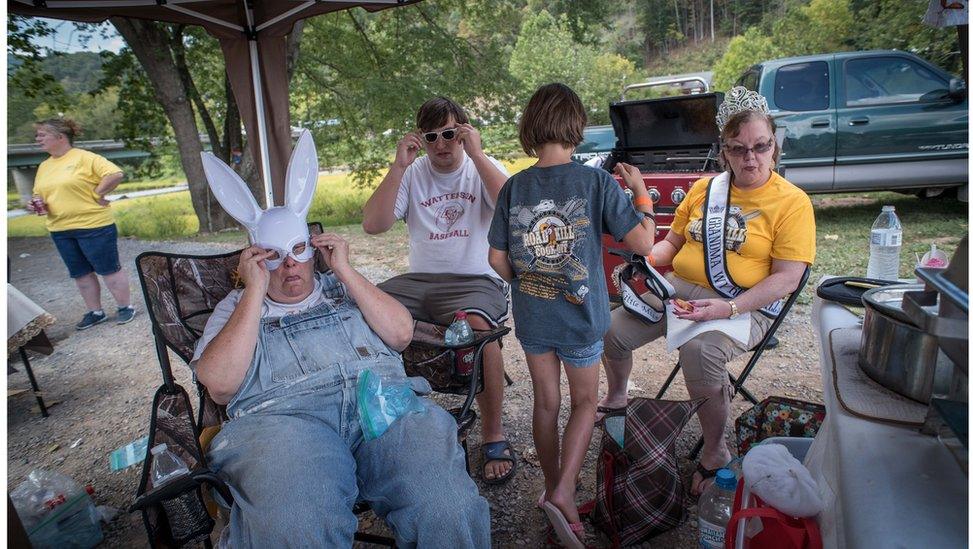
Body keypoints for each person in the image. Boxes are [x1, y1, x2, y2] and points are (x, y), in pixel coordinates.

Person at [192, 234, 490, 547]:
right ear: (254, 260)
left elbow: (401, 334)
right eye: (274, 255)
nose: (290, 263)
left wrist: (344, 270)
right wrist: (254, 291)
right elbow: (220, 386)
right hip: (282, 422)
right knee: (297, 526)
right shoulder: (236, 307)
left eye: (297, 249)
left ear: (313, 250)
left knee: (447, 506)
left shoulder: (345, 286)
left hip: (381, 404)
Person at [598, 86, 816, 496]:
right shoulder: (704, 190)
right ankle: (617, 395)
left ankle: (716, 450)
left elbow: (787, 279)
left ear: (775, 147)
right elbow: (671, 245)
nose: (749, 157)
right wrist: (647, 259)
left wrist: (728, 308)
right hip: (680, 291)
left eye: (760, 146)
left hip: (749, 303)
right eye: (738, 149)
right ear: (724, 152)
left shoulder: (792, 202)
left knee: (700, 352)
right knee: (610, 331)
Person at [487, 83, 655, 549]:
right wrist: (641, 193)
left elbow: (497, 260)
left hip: (535, 317)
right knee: (585, 403)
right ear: (575, 126)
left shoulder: (514, 187)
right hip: (581, 317)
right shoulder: (596, 182)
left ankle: (552, 484)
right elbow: (644, 244)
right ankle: (563, 493)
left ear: (531, 127)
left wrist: (527, 279)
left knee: (546, 403)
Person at [362, 97, 517, 484]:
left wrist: (477, 156)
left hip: (476, 279)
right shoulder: (412, 173)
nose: (442, 144)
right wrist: (398, 166)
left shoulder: (481, 164)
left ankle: (493, 433)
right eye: (432, 137)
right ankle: (381, 418)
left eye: (450, 133)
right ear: (421, 140)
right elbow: (372, 224)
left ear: (463, 132)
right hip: (420, 281)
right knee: (361, 309)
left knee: (482, 329)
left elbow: (512, 207)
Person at [29, 118, 135, 330]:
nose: (37, 139)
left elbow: (115, 173)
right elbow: (38, 194)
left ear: (60, 137)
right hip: (60, 229)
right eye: (37, 135)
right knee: (80, 273)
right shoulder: (44, 166)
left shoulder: (84, 158)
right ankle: (95, 312)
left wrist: (98, 193)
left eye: (42, 134)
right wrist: (35, 204)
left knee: (109, 269)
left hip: (93, 225)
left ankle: (125, 307)